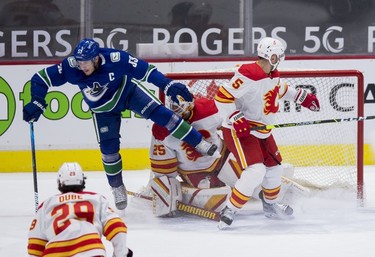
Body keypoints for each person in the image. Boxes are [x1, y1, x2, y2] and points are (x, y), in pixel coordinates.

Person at [22, 38, 219, 211]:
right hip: (103, 109)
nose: (82, 66)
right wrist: (37, 101)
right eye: (80, 62)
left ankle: (199, 142)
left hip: (128, 93)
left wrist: (166, 85)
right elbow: (40, 79)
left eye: (86, 62)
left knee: (164, 116)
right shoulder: (70, 67)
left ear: (97, 57)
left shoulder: (116, 59)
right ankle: (117, 188)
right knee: (108, 150)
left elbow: (146, 71)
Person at [214, 37, 320, 229]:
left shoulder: (273, 74)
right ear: (273, 56)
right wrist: (236, 117)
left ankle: (270, 206)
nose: (278, 59)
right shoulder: (248, 72)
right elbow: (222, 96)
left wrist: (303, 98)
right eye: (277, 56)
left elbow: (282, 89)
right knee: (256, 171)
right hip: (241, 131)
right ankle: (229, 209)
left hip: (262, 131)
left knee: (275, 169)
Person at [148, 95, 308, 217]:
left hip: (222, 157)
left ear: (191, 104)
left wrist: (241, 126)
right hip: (195, 174)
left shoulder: (207, 109)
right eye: (178, 116)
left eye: (186, 113)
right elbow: (164, 170)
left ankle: (272, 199)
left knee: (251, 179)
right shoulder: (161, 130)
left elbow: (229, 123)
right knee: (218, 201)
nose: (183, 119)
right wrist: (166, 190)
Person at [27, 162, 133, 257]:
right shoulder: (97, 200)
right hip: (92, 252)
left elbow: (35, 247)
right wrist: (121, 253)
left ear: (59, 182)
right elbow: (117, 228)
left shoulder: (46, 205)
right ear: (82, 181)